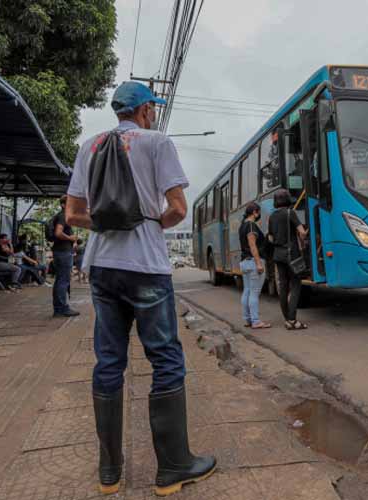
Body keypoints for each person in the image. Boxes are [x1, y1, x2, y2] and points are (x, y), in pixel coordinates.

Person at [65, 81, 215, 496]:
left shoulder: (88, 146)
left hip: (101, 266)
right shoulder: (157, 142)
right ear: (146, 109)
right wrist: (149, 224)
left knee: (108, 361)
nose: (154, 114)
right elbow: (179, 208)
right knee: (165, 359)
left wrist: (109, 223)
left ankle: (109, 473)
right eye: (153, 108)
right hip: (146, 265)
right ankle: (173, 467)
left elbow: (73, 213)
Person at [267, 189, 309, 330]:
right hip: (291, 254)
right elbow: (302, 233)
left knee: (283, 286)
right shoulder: (290, 213)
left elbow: (271, 237)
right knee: (296, 284)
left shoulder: (272, 216)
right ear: (287, 199)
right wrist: (304, 235)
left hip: (278, 255)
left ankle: (287, 318)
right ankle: (292, 319)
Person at [238, 202, 270, 329]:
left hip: (245, 263)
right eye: (259, 212)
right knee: (254, 293)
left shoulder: (242, 226)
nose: (259, 215)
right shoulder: (251, 226)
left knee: (247, 291)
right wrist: (258, 263)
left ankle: (247, 319)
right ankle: (256, 321)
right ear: (255, 212)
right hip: (253, 262)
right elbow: (253, 245)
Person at [51, 196, 79, 317]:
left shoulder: (61, 216)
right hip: (63, 252)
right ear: (63, 204)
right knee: (63, 280)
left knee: (60, 280)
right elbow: (58, 233)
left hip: (60, 251)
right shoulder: (63, 216)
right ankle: (62, 308)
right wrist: (70, 238)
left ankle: (59, 308)